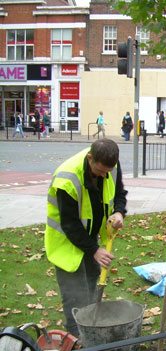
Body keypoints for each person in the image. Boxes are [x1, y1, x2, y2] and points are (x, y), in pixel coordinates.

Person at [44, 138, 127, 337]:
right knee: (74, 294)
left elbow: (119, 193)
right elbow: (70, 225)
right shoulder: (68, 179)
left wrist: (119, 212)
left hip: (90, 239)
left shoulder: (110, 166)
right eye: (100, 172)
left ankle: (91, 325)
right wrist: (95, 250)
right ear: (90, 158)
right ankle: (76, 338)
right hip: (65, 242)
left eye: (108, 171)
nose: (104, 175)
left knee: (91, 281)